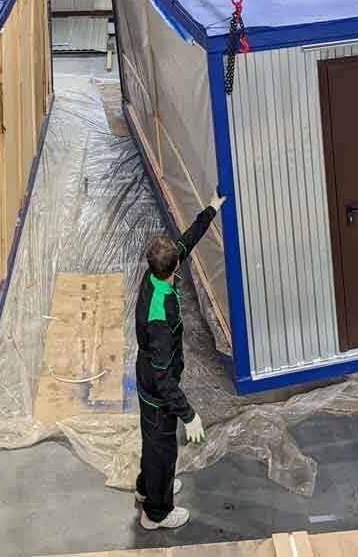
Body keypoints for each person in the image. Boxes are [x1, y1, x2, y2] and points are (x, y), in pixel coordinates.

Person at [135, 193, 226, 530]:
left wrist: (211, 209)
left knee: (152, 443)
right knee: (163, 450)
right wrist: (189, 415)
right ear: (174, 268)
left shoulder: (154, 275)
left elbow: (186, 241)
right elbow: (163, 377)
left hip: (146, 378)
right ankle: (156, 513)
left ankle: (146, 488)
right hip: (157, 389)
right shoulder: (159, 316)